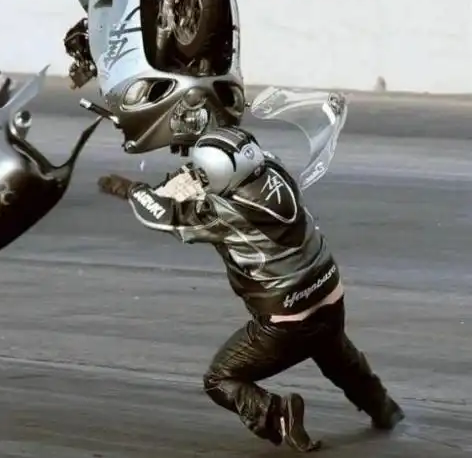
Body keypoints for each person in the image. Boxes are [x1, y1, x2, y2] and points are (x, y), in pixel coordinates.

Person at [97, 125, 405, 453]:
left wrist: (132, 189)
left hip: (286, 320)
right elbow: (224, 159)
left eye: (204, 173)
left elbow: (164, 216)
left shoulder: (225, 213)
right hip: (329, 292)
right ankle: (383, 407)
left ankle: (277, 414)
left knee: (219, 379)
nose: (200, 177)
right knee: (334, 351)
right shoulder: (274, 167)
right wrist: (196, 176)